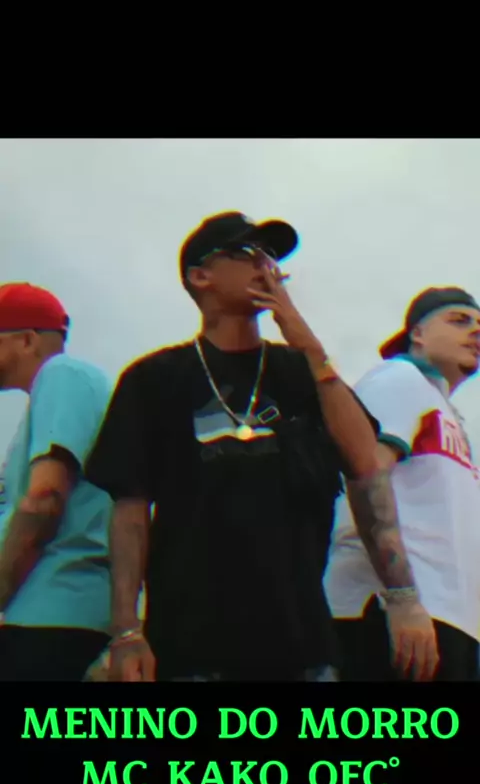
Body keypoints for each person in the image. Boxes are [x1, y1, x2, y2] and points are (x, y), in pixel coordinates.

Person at [85, 211, 431, 682]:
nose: (265, 266)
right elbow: (129, 513)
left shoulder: (302, 371)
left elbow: (365, 461)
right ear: (200, 276)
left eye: (270, 255)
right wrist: (126, 631)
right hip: (187, 643)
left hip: (302, 644)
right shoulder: (153, 379)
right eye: (247, 252)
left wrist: (307, 343)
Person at [325, 286, 480, 682]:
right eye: (459, 320)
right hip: (391, 615)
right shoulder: (399, 379)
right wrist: (402, 597)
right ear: (417, 334)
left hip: (447, 620)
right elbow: (365, 475)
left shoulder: (448, 413)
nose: (476, 331)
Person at [0, 283, 113, 680]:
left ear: (27, 340)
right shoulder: (55, 391)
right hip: (43, 616)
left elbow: (45, 497)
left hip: (52, 618)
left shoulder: (62, 375)